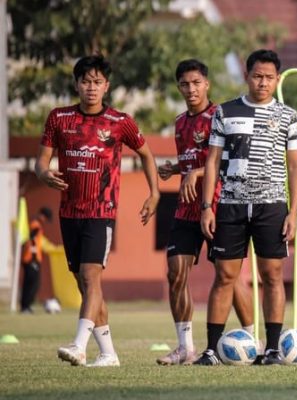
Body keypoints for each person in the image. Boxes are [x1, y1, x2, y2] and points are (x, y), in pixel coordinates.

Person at [35, 55, 160, 367]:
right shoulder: (58, 118)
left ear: (107, 86)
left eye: (98, 82)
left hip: (101, 211)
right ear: (77, 84)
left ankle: (79, 346)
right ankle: (108, 354)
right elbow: (41, 162)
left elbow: (146, 154)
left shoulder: (120, 122)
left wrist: (155, 192)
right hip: (69, 211)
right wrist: (43, 174)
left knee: (91, 278)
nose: (92, 87)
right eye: (86, 81)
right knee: (85, 283)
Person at [195, 49, 297, 366]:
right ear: (247, 76)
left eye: (270, 77)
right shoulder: (224, 112)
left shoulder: (289, 117)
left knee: (272, 276)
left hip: (272, 207)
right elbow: (212, 161)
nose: (263, 82)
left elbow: (295, 167)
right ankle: (212, 350)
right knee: (225, 276)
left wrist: (293, 213)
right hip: (230, 206)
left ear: (278, 79)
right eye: (257, 76)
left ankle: (271, 349)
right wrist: (207, 207)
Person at [156, 59, 255, 365]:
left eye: (196, 82)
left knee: (231, 276)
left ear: (207, 84)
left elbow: (230, 160)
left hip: (220, 206)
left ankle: (253, 340)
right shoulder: (180, 123)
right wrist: (177, 168)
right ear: (179, 87)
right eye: (185, 84)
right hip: (186, 210)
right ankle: (185, 347)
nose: (191, 89)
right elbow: (191, 161)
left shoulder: (221, 116)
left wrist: (195, 173)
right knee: (175, 272)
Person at [20, 207, 54, 313]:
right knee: (32, 283)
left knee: (33, 283)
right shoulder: (35, 225)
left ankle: (27, 306)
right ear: (42, 215)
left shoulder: (35, 224)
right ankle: (25, 306)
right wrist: (34, 259)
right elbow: (31, 241)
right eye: (45, 218)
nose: (45, 221)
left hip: (32, 259)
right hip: (31, 259)